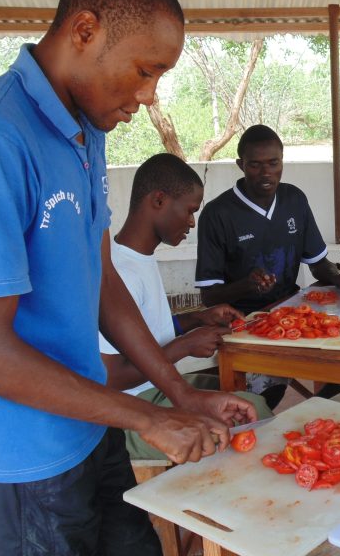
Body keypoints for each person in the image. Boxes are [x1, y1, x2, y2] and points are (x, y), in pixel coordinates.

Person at [0, 0, 256, 555]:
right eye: (145, 70)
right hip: (27, 458)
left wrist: (176, 392)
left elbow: (100, 276)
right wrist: (147, 420)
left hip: (92, 426)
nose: (150, 96)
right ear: (85, 32)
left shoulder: (88, 129)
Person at [100, 153, 273, 460]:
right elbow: (110, 377)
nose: (192, 223)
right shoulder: (120, 270)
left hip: (154, 388)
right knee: (250, 412)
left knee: (246, 395)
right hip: (130, 411)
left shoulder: (139, 258)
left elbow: (145, 332)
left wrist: (196, 319)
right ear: (159, 201)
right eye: (190, 211)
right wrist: (184, 346)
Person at [195, 124, 340, 408]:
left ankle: (322, 408)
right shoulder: (218, 214)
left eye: (273, 163)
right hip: (244, 320)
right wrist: (247, 284)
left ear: (282, 162)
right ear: (240, 165)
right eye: (255, 165)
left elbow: (318, 264)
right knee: (262, 395)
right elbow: (209, 296)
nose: (266, 172)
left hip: (292, 308)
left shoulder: (294, 199)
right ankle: (266, 412)